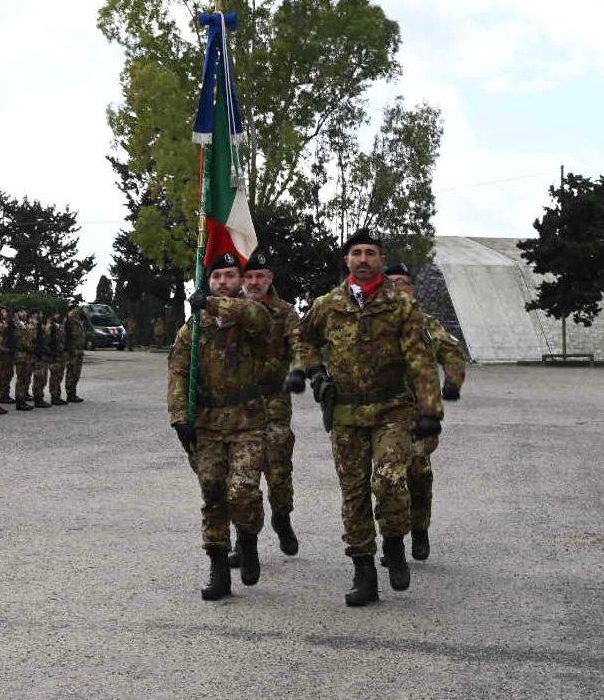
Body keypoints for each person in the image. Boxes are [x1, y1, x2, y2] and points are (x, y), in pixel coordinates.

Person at [288, 230, 443, 606]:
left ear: (380, 258)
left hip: (392, 409)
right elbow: (301, 338)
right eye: (356, 253)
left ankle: (393, 542)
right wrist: (314, 372)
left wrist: (429, 412)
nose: (362, 259)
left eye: (370, 253)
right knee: (353, 493)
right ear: (347, 261)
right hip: (345, 412)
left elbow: (421, 361)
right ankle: (363, 571)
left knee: (390, 481)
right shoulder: (329, 304)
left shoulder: (401, 306)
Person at [168, 252, 272, 601]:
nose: (223, 282)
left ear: (241, 281)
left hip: (247, 421)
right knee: (213, 494)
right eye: (216, 277)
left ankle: (247, 539)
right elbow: (179, 373)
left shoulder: (250, 316)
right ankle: (217, 566)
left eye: (230, 276)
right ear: (207, 281)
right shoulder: (193, 328)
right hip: (208, 425)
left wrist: (212, 304)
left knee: (242, 491)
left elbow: (258, 318)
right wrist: (180, 416)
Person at [383, 263, 466, 561]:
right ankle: (393, 539)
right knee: (388, 477)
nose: (396, 288)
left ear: (412, 289)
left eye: (402, 283)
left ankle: (419, 528)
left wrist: (453, 383)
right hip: (385, 415)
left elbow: (452, 353)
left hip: (420, 415)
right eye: (390, 282)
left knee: (417, 471)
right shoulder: (375, 323)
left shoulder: (426, 323)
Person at [231, 247, 301, 564]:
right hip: (238, 404)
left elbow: (300, 344)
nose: (255, 281)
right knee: (239, 475)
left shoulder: (285, 312)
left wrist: (299, 369)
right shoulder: (230, 309)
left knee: (278, 469)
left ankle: (282, 517)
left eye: (261, 276)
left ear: (270, 278)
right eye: (250, 276)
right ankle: (244, 541)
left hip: (274, 401)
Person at [12, 310, 34, 411]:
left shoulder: (24, 324)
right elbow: (20, 340)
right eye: (21, 312)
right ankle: (20, 400)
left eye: (25, 311)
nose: (24, 314)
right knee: (21, 378)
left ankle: (23, 397)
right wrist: (29, 347)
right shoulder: (16, 325)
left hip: (27, 355)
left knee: (26, 377)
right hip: (21, 355)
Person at [64, 307, 87, 402]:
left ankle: (73, 392)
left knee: (76, 373)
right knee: (71, 372)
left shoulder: (78, 322)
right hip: (72, 351)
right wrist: (69, 350)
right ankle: (70, 393)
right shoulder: (69, 322)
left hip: (79, 351)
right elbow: (68, 337)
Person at [48, 309, 68, 405]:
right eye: (56, 313)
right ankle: (54, 395)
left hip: (61, 355)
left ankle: (57, 395)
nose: (58, 315)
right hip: (54, 355)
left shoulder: (60, 326)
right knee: (54, 376)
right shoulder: (50, 326)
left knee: (59, 376)